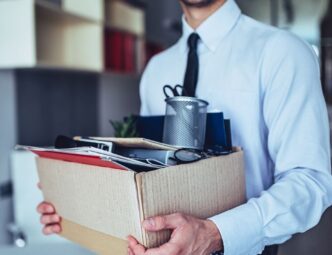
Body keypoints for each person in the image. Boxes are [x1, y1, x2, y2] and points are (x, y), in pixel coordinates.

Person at [37, 0, 332, 254]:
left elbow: (310, 181)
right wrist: (78, 205)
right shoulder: (156, 70)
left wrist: (214, 233)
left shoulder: (282, 51)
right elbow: (148, 170)